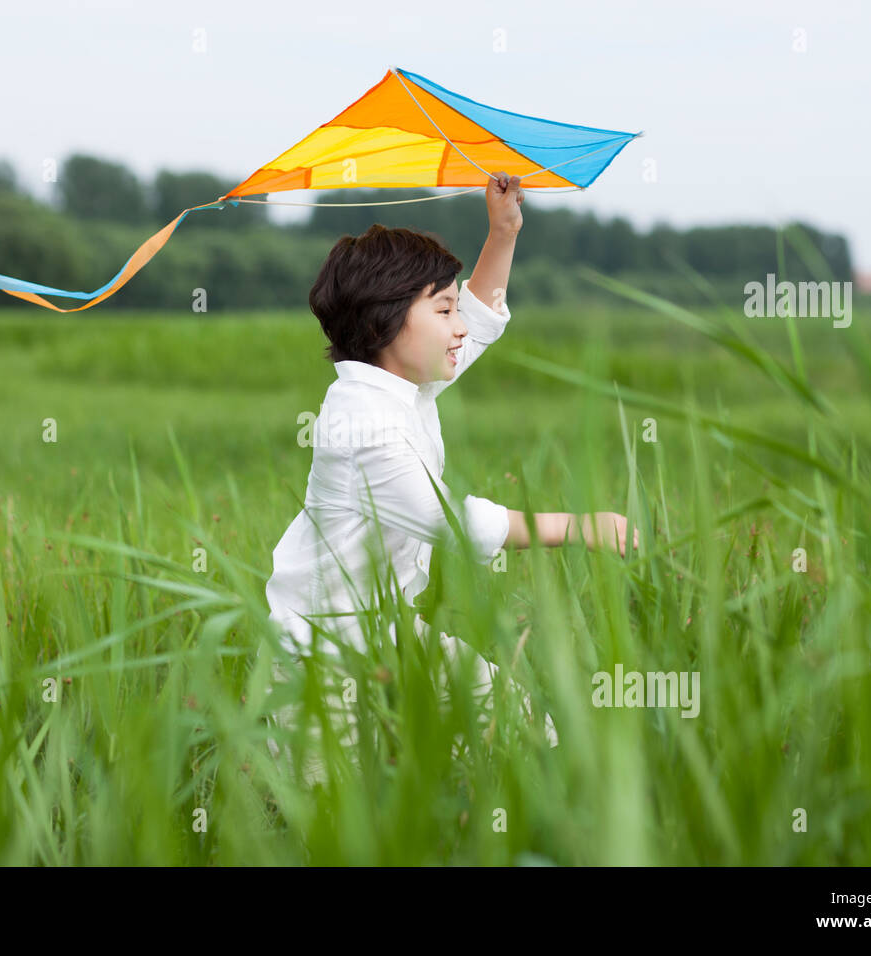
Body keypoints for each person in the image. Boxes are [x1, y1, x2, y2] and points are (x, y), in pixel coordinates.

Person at [262, 172, 638, 785]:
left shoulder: (403, 386)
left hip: (387, 629)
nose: (458, 324)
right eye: (443, 309)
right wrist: (581, 526)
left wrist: (503, 231)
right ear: (386, 322)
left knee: (515, 722)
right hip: (319, 656)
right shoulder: (361, 420)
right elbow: (447, 521)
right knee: (333, 812)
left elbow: (479, 321)